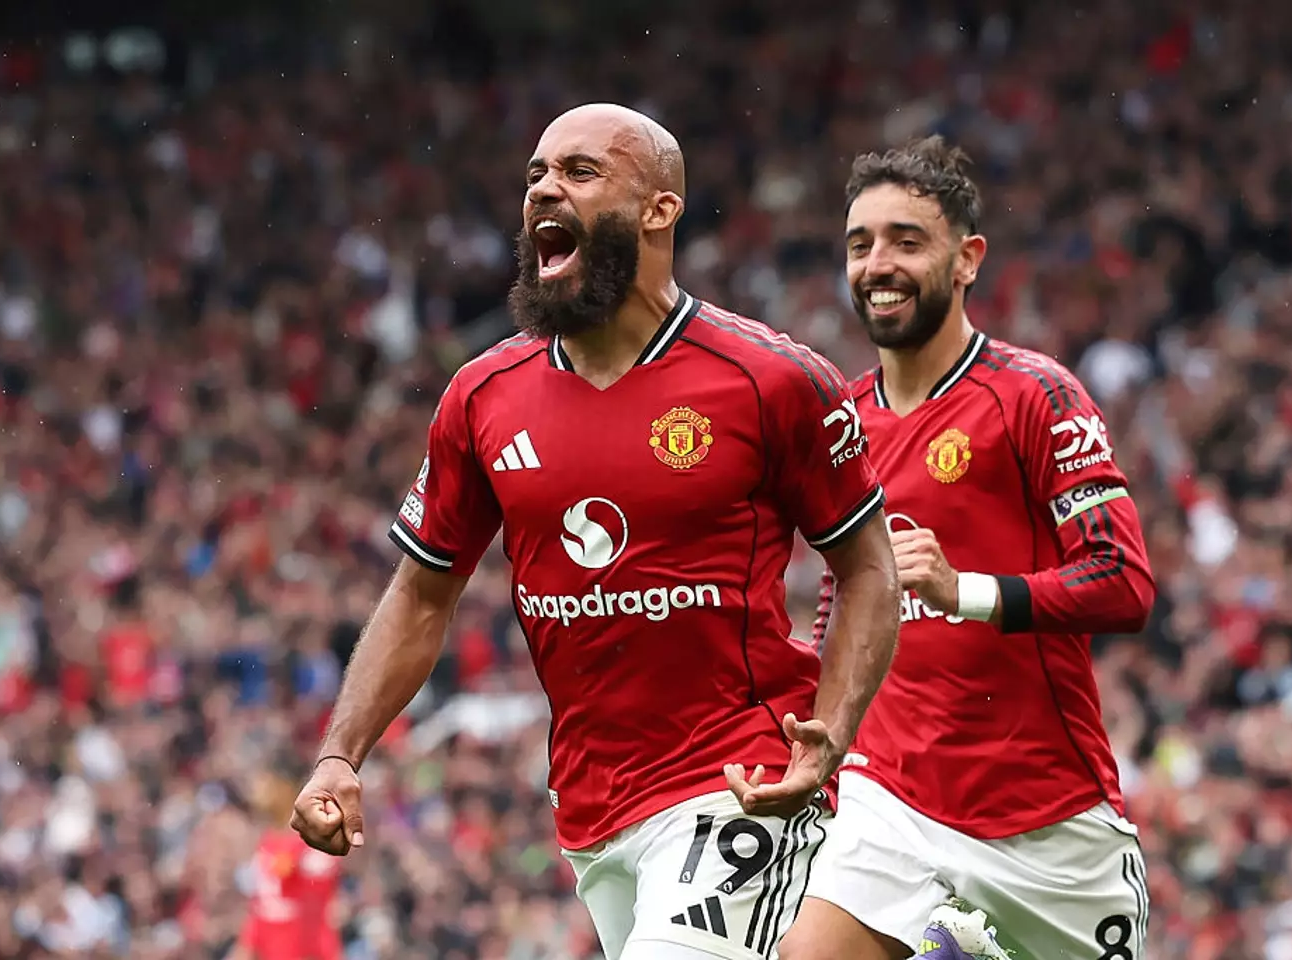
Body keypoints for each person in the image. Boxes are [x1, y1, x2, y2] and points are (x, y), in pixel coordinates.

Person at [288, 103, 901, 960]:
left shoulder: (771, 379)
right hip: (590, 809)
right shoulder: (482, 396)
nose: (545, 188)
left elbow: (870, 569)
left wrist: (831, 729)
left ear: (659, 210)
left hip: (737, 777)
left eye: (580, 172)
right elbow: (424, 591)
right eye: (536, 174)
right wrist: (340, 754)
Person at [777, 137, 1157, 960]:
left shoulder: (1036, 397)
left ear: (966, 259)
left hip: (1049, 829)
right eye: (860, 244)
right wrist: (817, 729)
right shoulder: (837, 422)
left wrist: (966, 592)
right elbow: (838, 604)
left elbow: (1123, 582)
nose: (879, 263)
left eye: (906, 242)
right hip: (891, 806)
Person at [230, 772, 343, 960]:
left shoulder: (310, 845)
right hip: (272, 943)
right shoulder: (266, 843)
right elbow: (260, 910)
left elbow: (321, 905)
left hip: (302, 946)